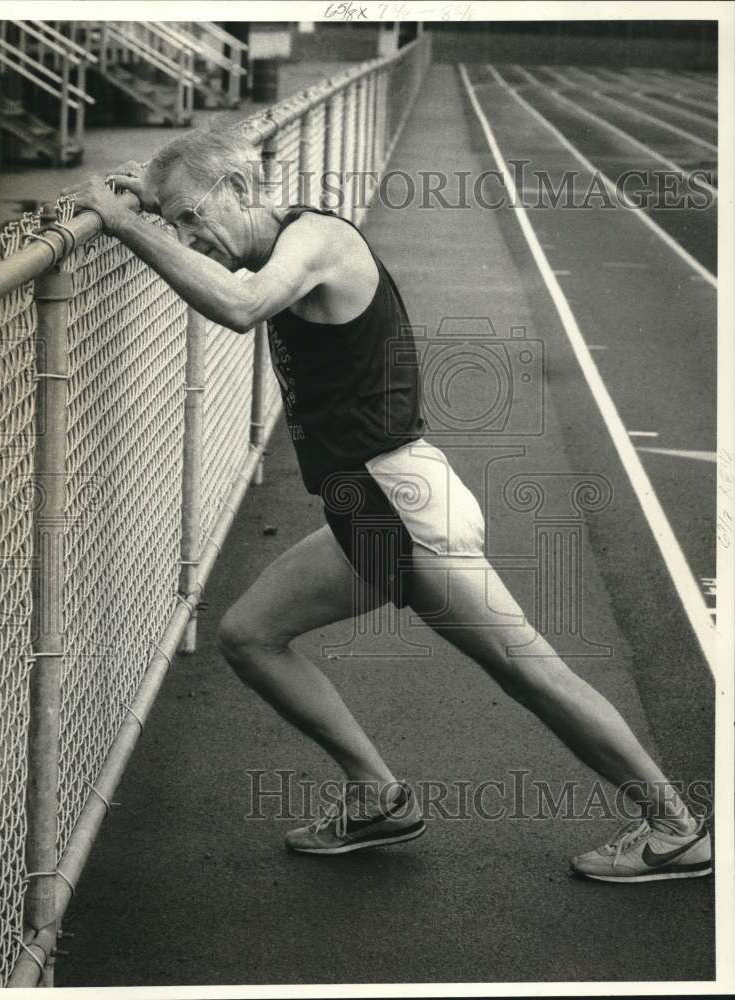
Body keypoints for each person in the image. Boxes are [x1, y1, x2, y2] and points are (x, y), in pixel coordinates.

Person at [64, 125, 711, 882]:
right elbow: (218, 252)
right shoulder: (274, 240)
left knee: (529, 670)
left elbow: (240, 308)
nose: (187, 236)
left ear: (239, 190)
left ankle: (674, 826)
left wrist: (124, 223)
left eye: (189, 217)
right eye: (173, 223)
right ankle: (378, 796)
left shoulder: (316, 243)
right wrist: (147, 197)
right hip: (365, 509)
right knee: (250, 635)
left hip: (400, 504)